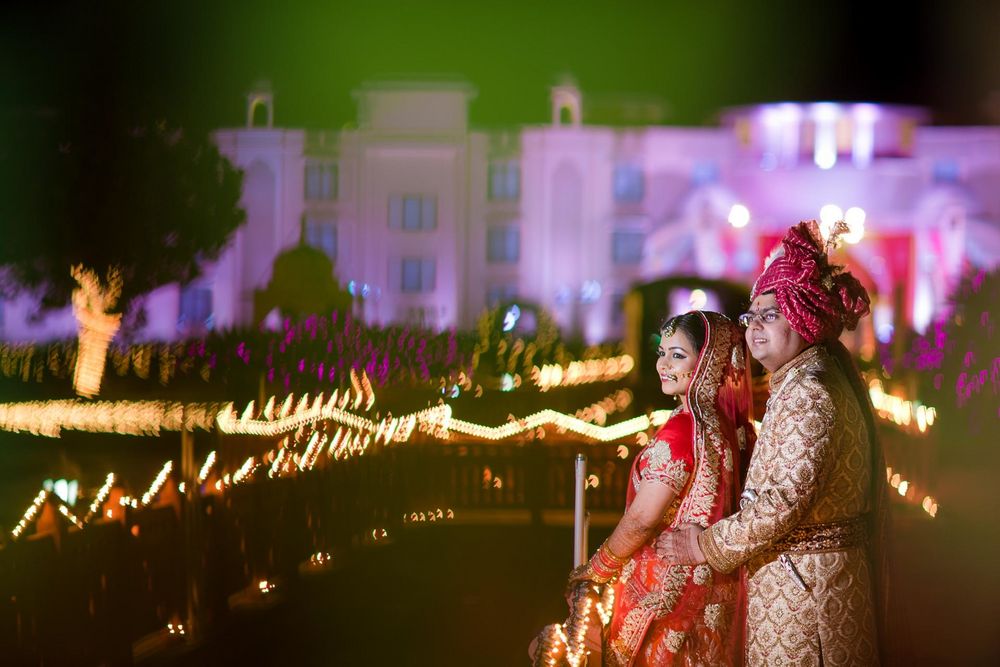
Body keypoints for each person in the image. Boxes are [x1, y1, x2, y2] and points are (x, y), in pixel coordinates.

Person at [656, 221, 891, 666]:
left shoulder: (809, 391)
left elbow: (780, 503)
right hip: (805, 587)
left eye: (770, 315)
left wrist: (702, 545)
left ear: (803, 317)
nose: (754, 328)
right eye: (750, 317)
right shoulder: (803, 381)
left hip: (808, 601)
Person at [531, 311, 756, 666]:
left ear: (708, 361)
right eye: (661, 352)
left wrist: (596, 571)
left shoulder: (684, 430)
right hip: (714, 591)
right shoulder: (731, 428)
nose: (663, 365)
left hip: (670, 599)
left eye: (677, 355)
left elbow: (642, 519)